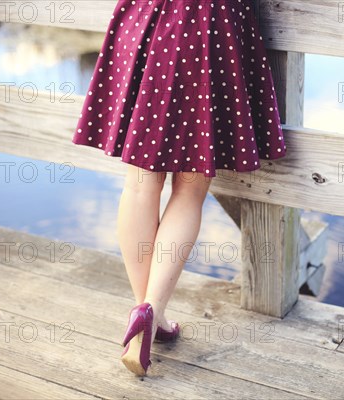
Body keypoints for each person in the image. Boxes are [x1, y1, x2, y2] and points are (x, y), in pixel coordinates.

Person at [71, 0, 287, 376]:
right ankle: (151, 310)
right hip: (211, 29)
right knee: (189, 189)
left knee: (140, 185)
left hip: (146, 20)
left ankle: (148, 315)